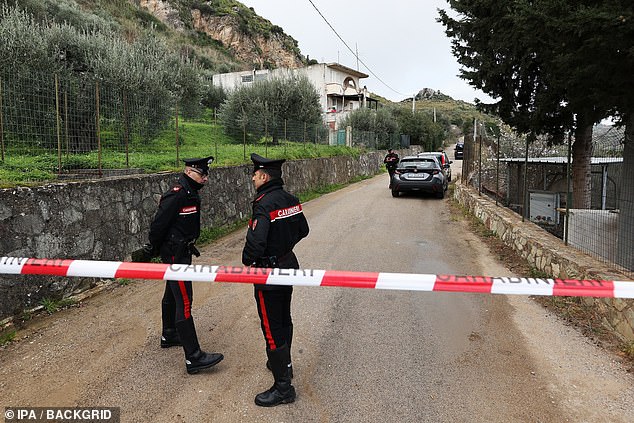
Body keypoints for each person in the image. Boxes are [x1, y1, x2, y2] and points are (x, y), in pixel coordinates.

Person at [134, 156, 224, 375]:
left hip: (182, 250)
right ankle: (194, 357)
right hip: (175, 254)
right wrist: (153, 248)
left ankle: (169, 333)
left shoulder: (190, 192)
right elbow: (158, 224)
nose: (206, 179)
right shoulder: (178, 194)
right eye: (203, 174)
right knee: (184, 299)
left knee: (172, 292)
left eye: (206, 174)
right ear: (190, 172)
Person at [242, 153, 309, 407]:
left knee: (271, 327)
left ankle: (283, 388)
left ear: (264, 176)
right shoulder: (290, 199)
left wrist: (249, 260)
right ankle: (284, 364)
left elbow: (255, 244)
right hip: (287, 265)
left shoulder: (263, 203)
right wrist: (284, 245)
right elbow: (303, 230)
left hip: (267, 273)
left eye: (255, 175)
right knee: (284, 317)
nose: (252, 178)